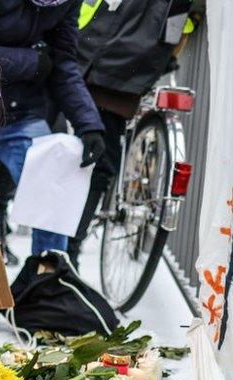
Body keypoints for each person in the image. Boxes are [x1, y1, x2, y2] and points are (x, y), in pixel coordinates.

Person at [0, 0, 106, 336]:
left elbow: (63, 63)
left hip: (20, 110)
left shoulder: (65, 3)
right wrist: (34, 60)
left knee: (54, 183)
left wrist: (88, 123)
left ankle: (44, 289)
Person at [66, 0, 194, 266]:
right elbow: (181, 25)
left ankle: (66, 249)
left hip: (93, 57)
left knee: (82, 159)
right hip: (127, 67)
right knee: (96, 164)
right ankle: (69, 250)